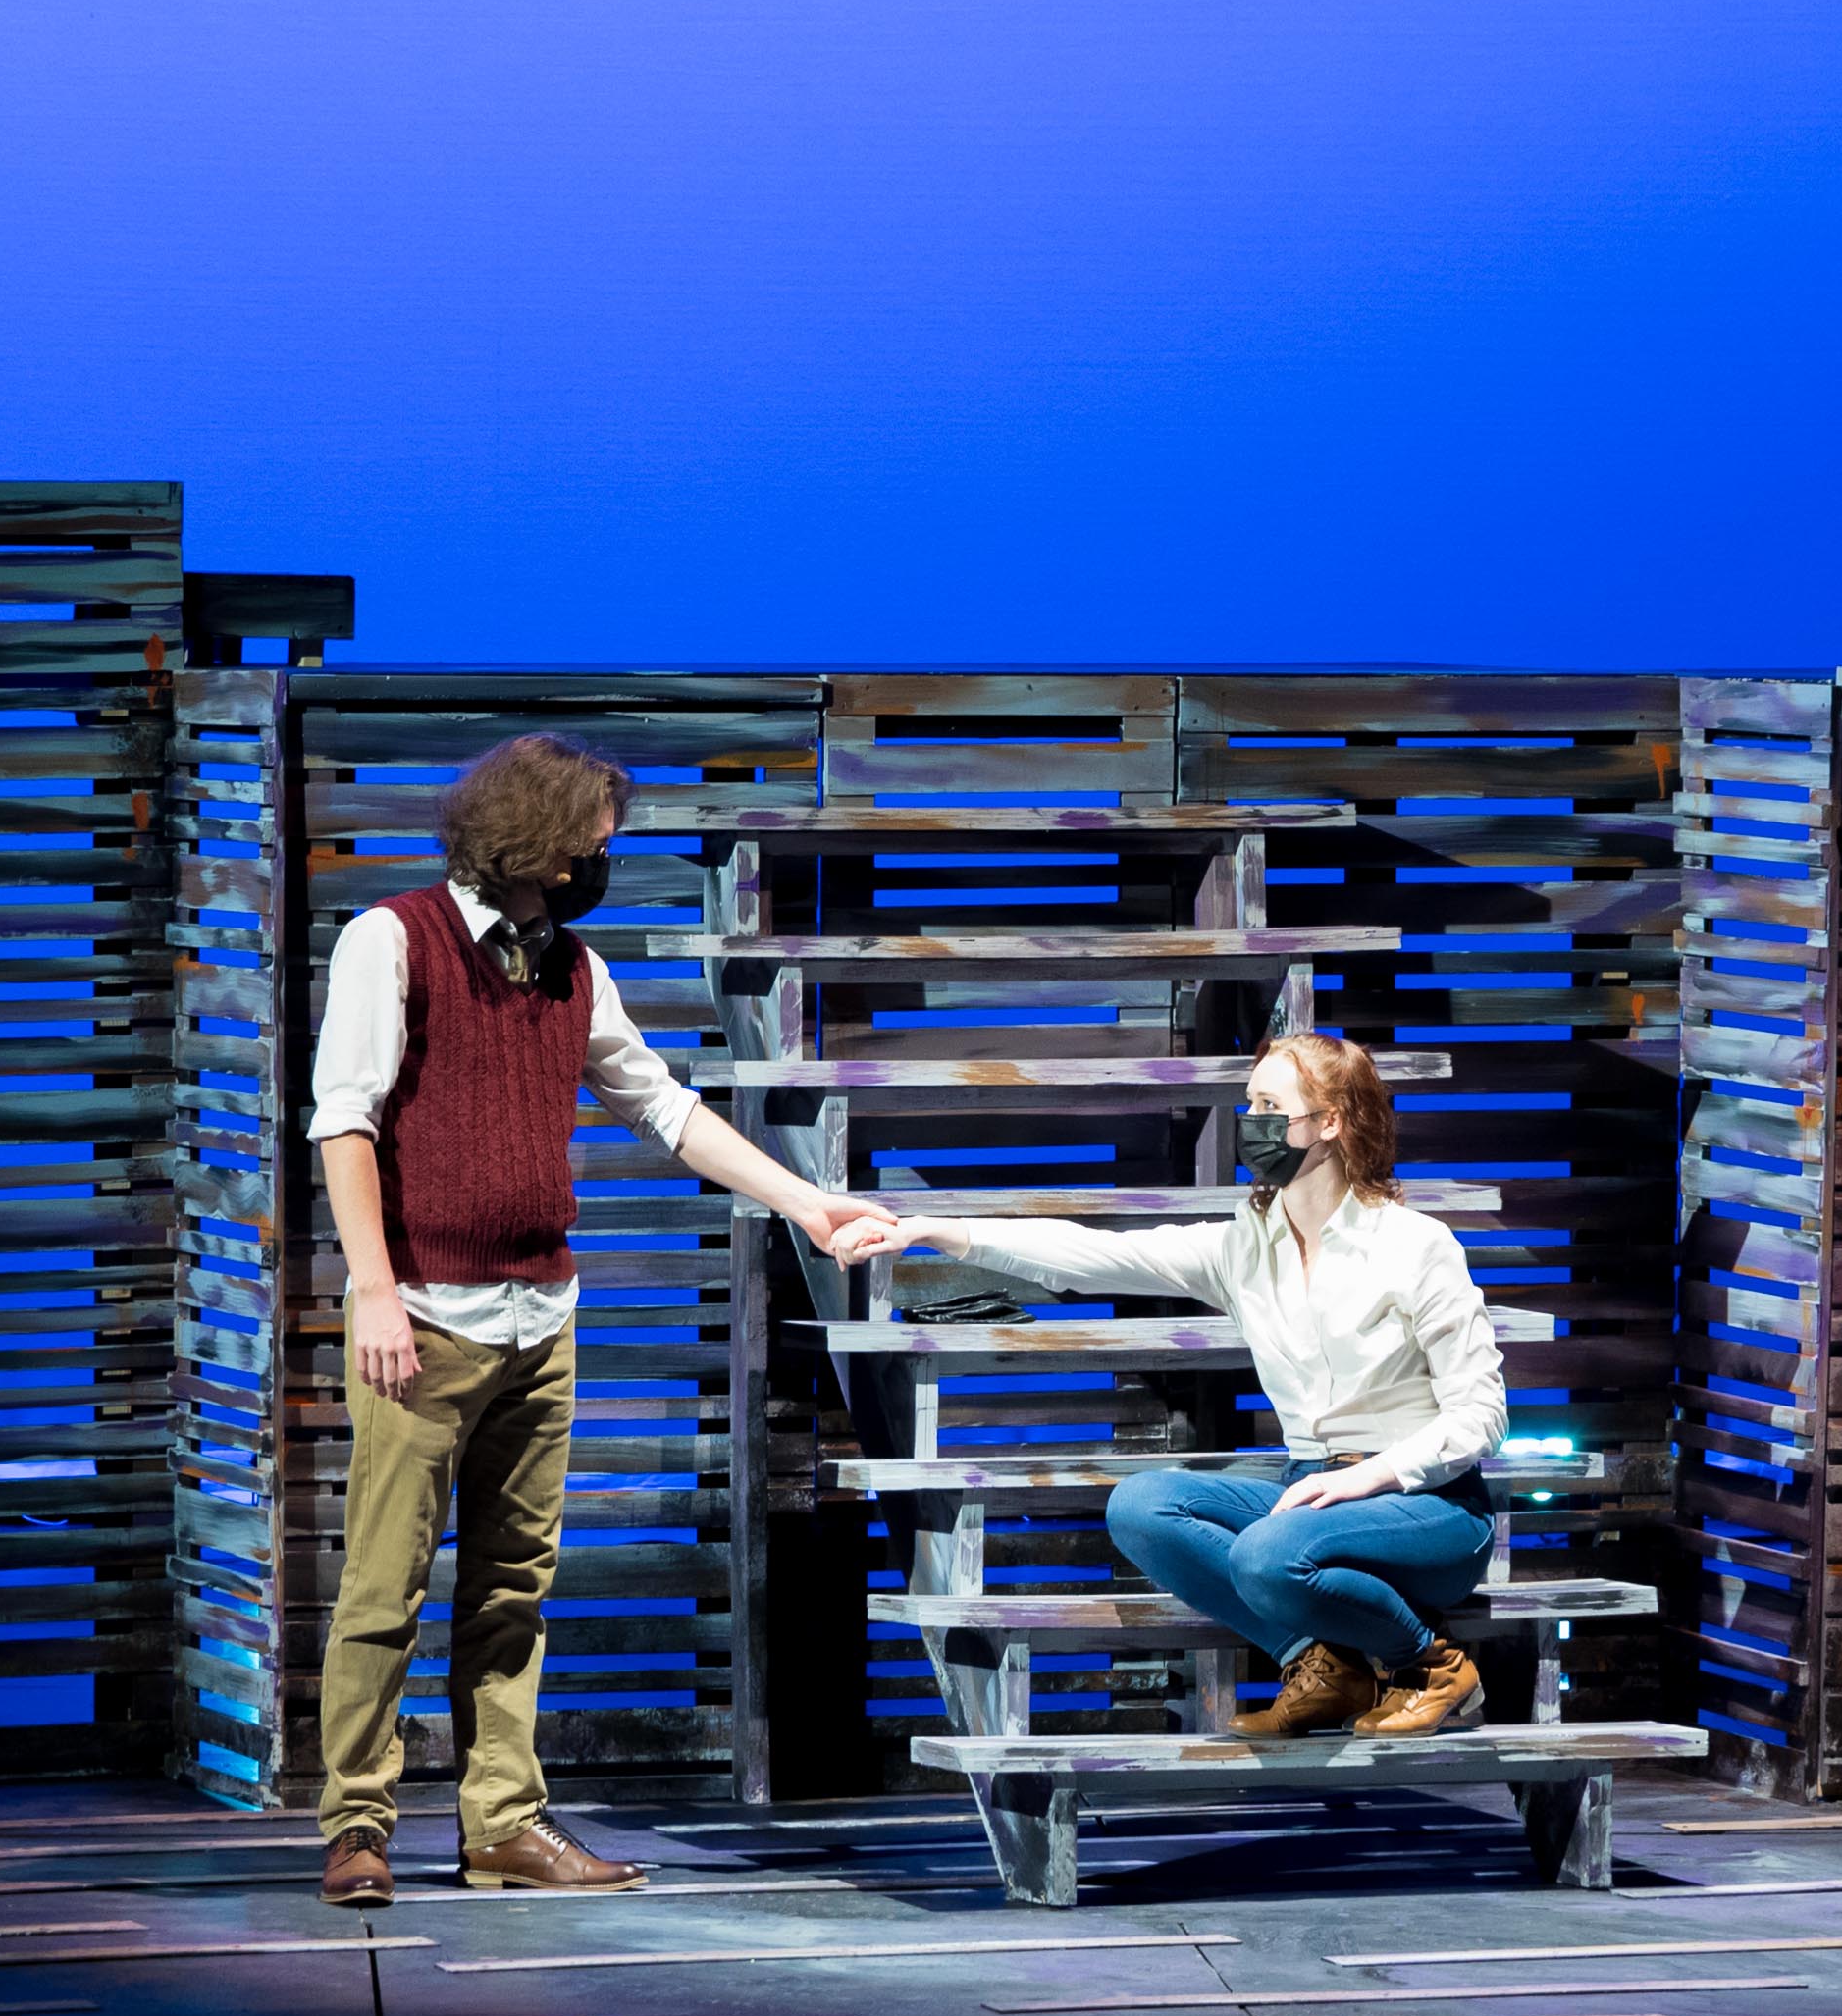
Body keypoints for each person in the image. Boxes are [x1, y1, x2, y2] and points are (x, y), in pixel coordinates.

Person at [306, 732, 891, 1902]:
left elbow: (664, 1109)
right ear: (533, 834)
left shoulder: (573, 970)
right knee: (385, 1582)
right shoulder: (395, 940)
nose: (600, 858)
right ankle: (356, 1827)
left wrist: (806, 1206)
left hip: (538, 1315)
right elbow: (344, 1120)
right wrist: (372, 1288)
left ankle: (502, 1825)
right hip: (423, 1317)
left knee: (514, 1584)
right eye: (590, 839)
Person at [857, 1032, 1512, 1735]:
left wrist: (1371, 1475)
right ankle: (1327, 1666)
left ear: (1330, 1121)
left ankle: (1432, 1666)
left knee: (1269, 1552)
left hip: (1428, 1509)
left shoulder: (1414, 1245)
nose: (1251, 1121)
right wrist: (935, 1229)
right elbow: (1098, 1255)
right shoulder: (1243, 1244)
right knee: (1141, 1506)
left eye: (1270, 1105)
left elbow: (1483, 1413)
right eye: (1248, 1102)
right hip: (1308, 1494)